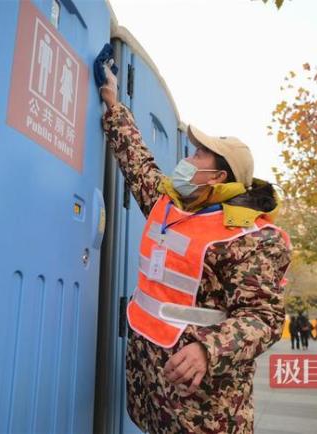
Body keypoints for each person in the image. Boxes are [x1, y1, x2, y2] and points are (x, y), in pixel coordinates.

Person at [99, 64, 292, 433]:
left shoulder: (251, 238)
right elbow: (137, 161)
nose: (188, 159)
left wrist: (208, 349)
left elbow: (263, 319)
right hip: (154, 385)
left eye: (199, 155)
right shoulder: (172, 203)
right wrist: (113, 103)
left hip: (205, 407)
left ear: (219, 177)